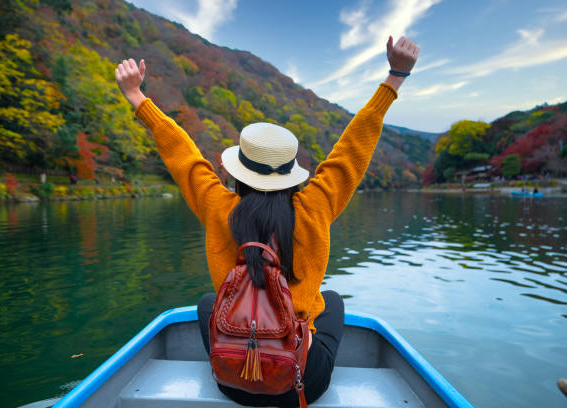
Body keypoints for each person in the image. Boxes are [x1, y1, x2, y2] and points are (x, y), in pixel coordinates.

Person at [116, 35, 418, 406]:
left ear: (238, 173)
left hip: (232, 381)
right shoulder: (315, 205)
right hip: (299, 383)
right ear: (292, 174)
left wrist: (137, 96)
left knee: (208, 302)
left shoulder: (217, 206)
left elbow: (183, 155)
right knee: (333, 301)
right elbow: (353, 145)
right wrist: (395, 77)